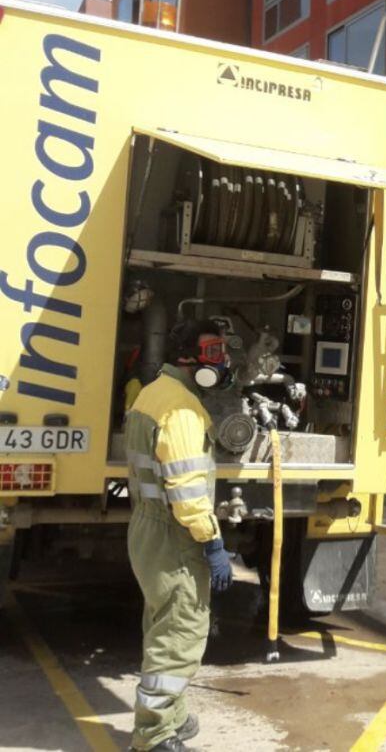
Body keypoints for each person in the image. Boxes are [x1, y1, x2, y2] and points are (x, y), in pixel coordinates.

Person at [124, 319, 234, 751]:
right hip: (175, 534)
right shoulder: (183, 409)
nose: (221, 362)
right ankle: (153, 735)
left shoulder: (153, 393)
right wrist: (212, 541)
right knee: (181, 630)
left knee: (162, 623)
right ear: (189, 358)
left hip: (150, 528)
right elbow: (187, 489)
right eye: (212, 353)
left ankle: (175, 714)